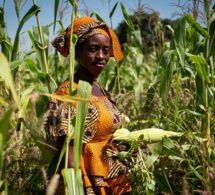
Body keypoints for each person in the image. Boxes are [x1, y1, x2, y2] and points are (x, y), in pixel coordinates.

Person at [44, 16, 132, 195]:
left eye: (105, 50)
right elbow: (65, 150)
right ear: (77, 53)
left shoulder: (99, 88)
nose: (101, 56)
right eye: (93, 49)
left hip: (110, 176)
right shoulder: (69, 93)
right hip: (85, 182)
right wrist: (76, 187)